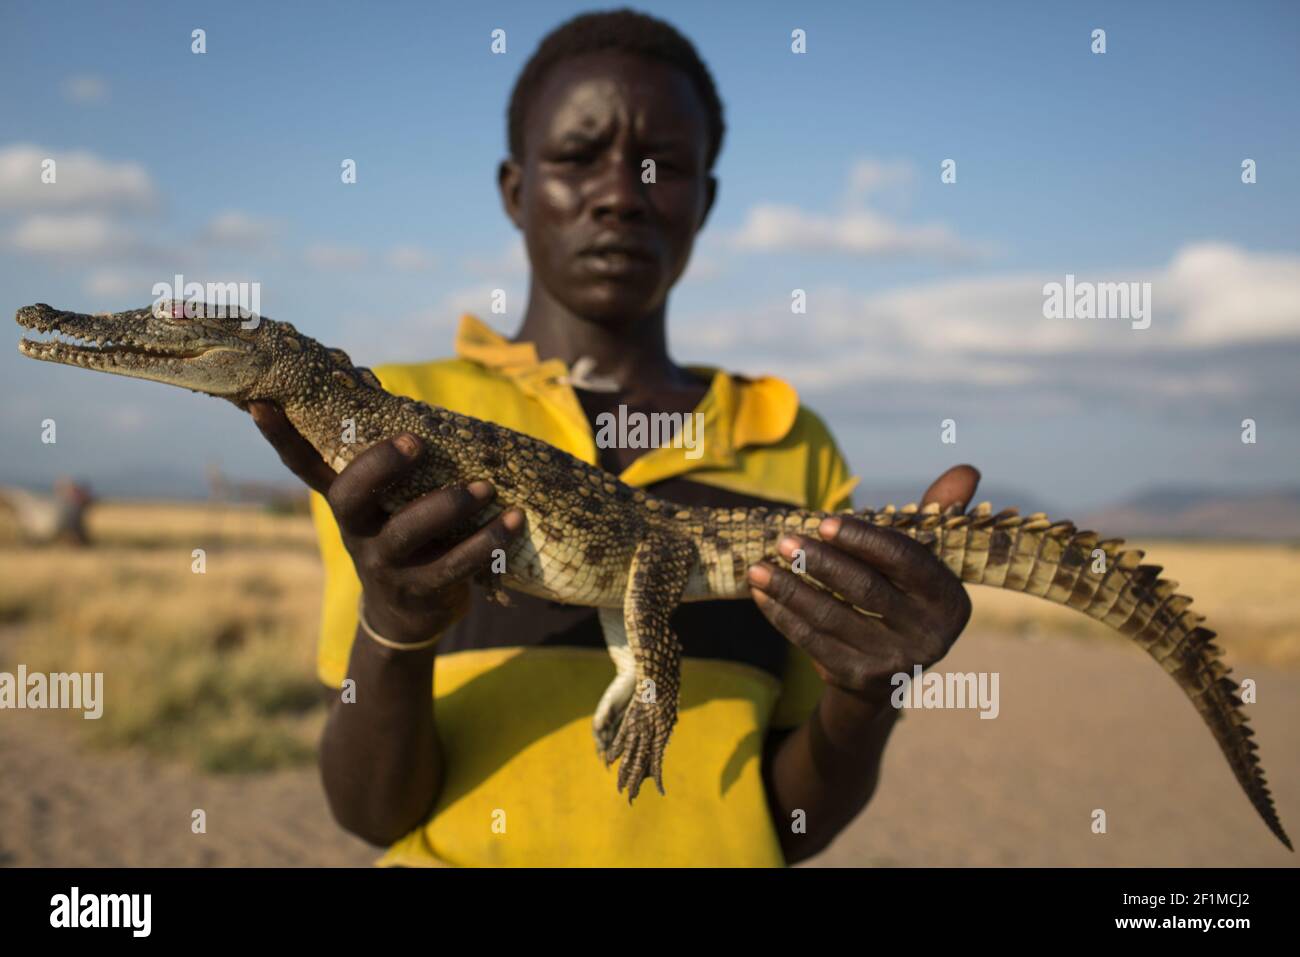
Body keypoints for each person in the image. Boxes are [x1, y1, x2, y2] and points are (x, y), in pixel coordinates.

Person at [250, 8, 979, 867]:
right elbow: (371, 810)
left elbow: (791, 824)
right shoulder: (393, 424)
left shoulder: (796, 441)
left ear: (704, 200)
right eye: (575, 155)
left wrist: (872, 689)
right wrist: (398, 624)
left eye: (662, 165)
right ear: (516, 190)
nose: (621, 193)